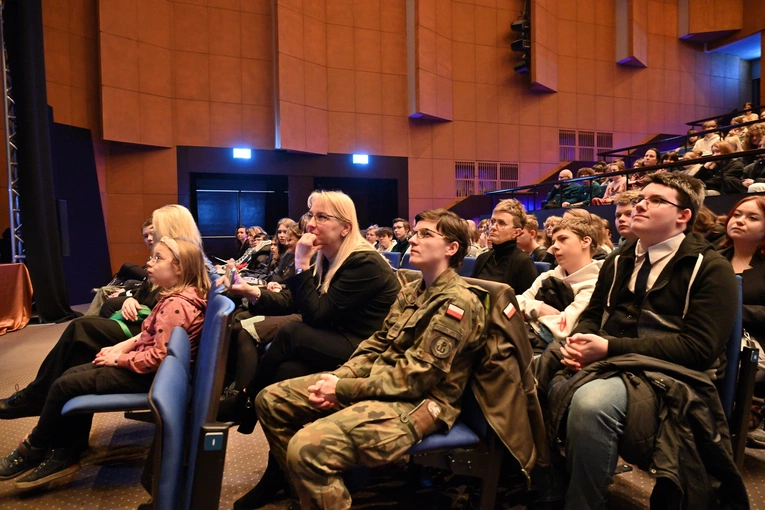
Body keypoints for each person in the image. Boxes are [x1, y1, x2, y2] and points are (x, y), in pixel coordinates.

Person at [253, 208, 487, 510]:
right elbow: (377, 344)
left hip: (422, 404)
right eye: (416, 233)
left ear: (452, 248)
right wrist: (340, 376)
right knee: (270, 401)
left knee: (306, 448)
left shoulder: (458, 304)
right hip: (383, 384)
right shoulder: (413, 291)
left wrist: (342, 389)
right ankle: (309, 495)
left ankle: (316, 490)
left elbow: (415, 379)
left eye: (426, 234)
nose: (414, 240)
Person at [536, 172, 741, 509]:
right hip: (617, 364)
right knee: (531, 370)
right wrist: (579, 341)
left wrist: (609, 348)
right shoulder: (619, 258)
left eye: (656, 200)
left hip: (671, 377)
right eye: (642, 198)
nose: (641, 205)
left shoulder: (710, 268)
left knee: (591, 405)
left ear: (683, 216)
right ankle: (550, 485)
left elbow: (698, 351)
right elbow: (593, 313)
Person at [0, 237, 209, 489]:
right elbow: (149, 337)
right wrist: (123, 348)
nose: (148, 262)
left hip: (148, 376)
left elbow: (159, 357)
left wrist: (119, 359)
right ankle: (54, 447)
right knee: (68, 375)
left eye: (157, 258)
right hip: (146, 369)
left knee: (63, 385)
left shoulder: (176, 305)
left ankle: (33, 447)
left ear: (179, 268)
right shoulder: (174, 297)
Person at [222, 189, 400, 444]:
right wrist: (251, 291)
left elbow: (316, 315)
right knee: (287, 370)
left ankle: (244, 401)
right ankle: (282, 467)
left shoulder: (365, 262)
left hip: (366, 348)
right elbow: (293, 302)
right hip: (336, 337)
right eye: (311, 215)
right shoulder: (328, 257)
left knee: (291, 332)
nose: (311, 224)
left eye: (322, 217)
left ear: (345, 227)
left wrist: (301, 262)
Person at [0, 204, 207, 419]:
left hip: (149, 334)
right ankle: (68, 441)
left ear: (171, 229)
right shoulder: (164, 260)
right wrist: (129, 299)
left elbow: (167, 319)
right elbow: (149, 295)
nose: (151, 236)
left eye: (155, 230)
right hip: (148, 327)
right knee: (81, 346)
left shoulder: (181, 263)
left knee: (82, 328)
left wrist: (129, 343)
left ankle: (35, 397)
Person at [718, 196, 765, 447]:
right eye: (737, 215)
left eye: (752, 217)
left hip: (755, 344)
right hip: (714, 336)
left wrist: (733, 311)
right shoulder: (712, 257)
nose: (740, 221)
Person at [517, 218, 602, 355]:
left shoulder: (596, 283)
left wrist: (526, 312)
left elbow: (563, 331)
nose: (554, 246)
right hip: (524, 338)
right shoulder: (548, 276)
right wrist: (539, 309)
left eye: (562, 239)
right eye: (553, 241)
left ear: (585, 241)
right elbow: (512, 303)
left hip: (548, 351)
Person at [84, 218, 155, 316]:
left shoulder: (167, 255)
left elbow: (150, 287)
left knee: (126, 271)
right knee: (106, 290)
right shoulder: (152, 256)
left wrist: (126, 292)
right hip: (139, 289)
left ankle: (90, 324)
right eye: (145, 236)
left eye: (152, 233)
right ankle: (90, 322)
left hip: (146, 296)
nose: (149, 238)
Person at [470, 199, 537, 293]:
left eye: (501, 223)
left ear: (516, 232)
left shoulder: (523, 262)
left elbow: (527, 303)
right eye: (492, 222)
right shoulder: (482, 258)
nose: (493, 227)